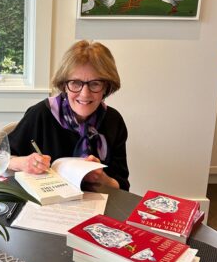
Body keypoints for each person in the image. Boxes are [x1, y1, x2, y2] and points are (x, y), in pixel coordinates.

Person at [8, 40, 129, 191]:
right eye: (75, 83)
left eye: (95, 83)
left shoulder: (114, 121)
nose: (85, 94)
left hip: (95, 207)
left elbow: (122, 186)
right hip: (45, 206)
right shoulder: (41, 113)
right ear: (64, 85)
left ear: (106, 87)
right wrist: (23, 162)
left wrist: (102, 179)